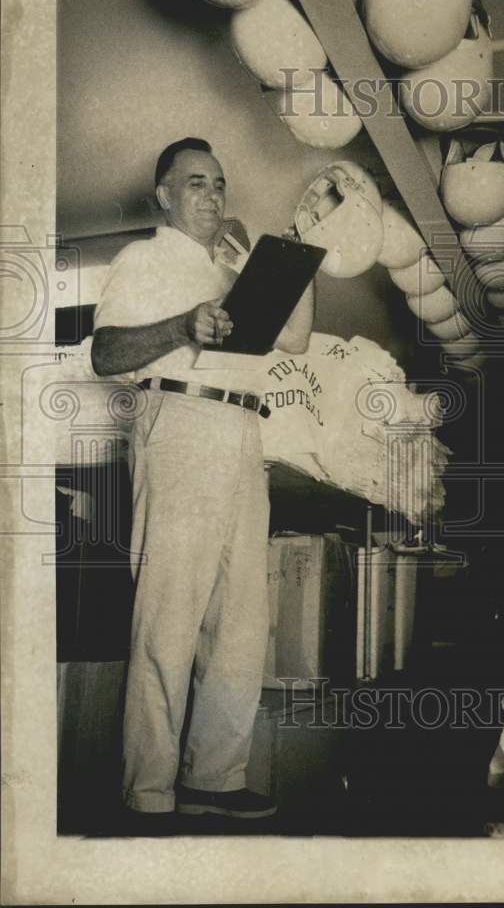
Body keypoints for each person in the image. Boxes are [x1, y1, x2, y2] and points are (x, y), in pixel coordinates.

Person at [92, 137, 314, 821]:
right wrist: (184, 325)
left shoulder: (232, 267)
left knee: (243, 617)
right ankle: (149, 793)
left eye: (219, 183)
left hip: (244, 433)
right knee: (170, 614)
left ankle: (214, 778)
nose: (213, 196)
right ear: (164, 196)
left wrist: (288, 262)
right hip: (180, 425)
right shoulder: (143, 258)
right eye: (195, 183)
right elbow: (106, 353)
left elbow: (299, 339)